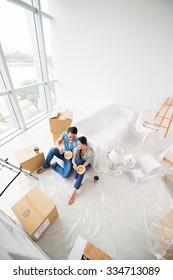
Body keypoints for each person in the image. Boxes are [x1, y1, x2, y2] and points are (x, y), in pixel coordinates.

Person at [68, 136, 94, 205]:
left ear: (84, 144)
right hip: (79, 162)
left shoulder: (90, 153)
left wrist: (81, 167)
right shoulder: (77, 149)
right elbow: (73, 159)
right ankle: (76, 180)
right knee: (78, 162)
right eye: (77, 144)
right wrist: (74, 164)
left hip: (86, 164)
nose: (77, 145)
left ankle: (74, 192)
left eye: (79, 144)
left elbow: (87, 162)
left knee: (82, 169)